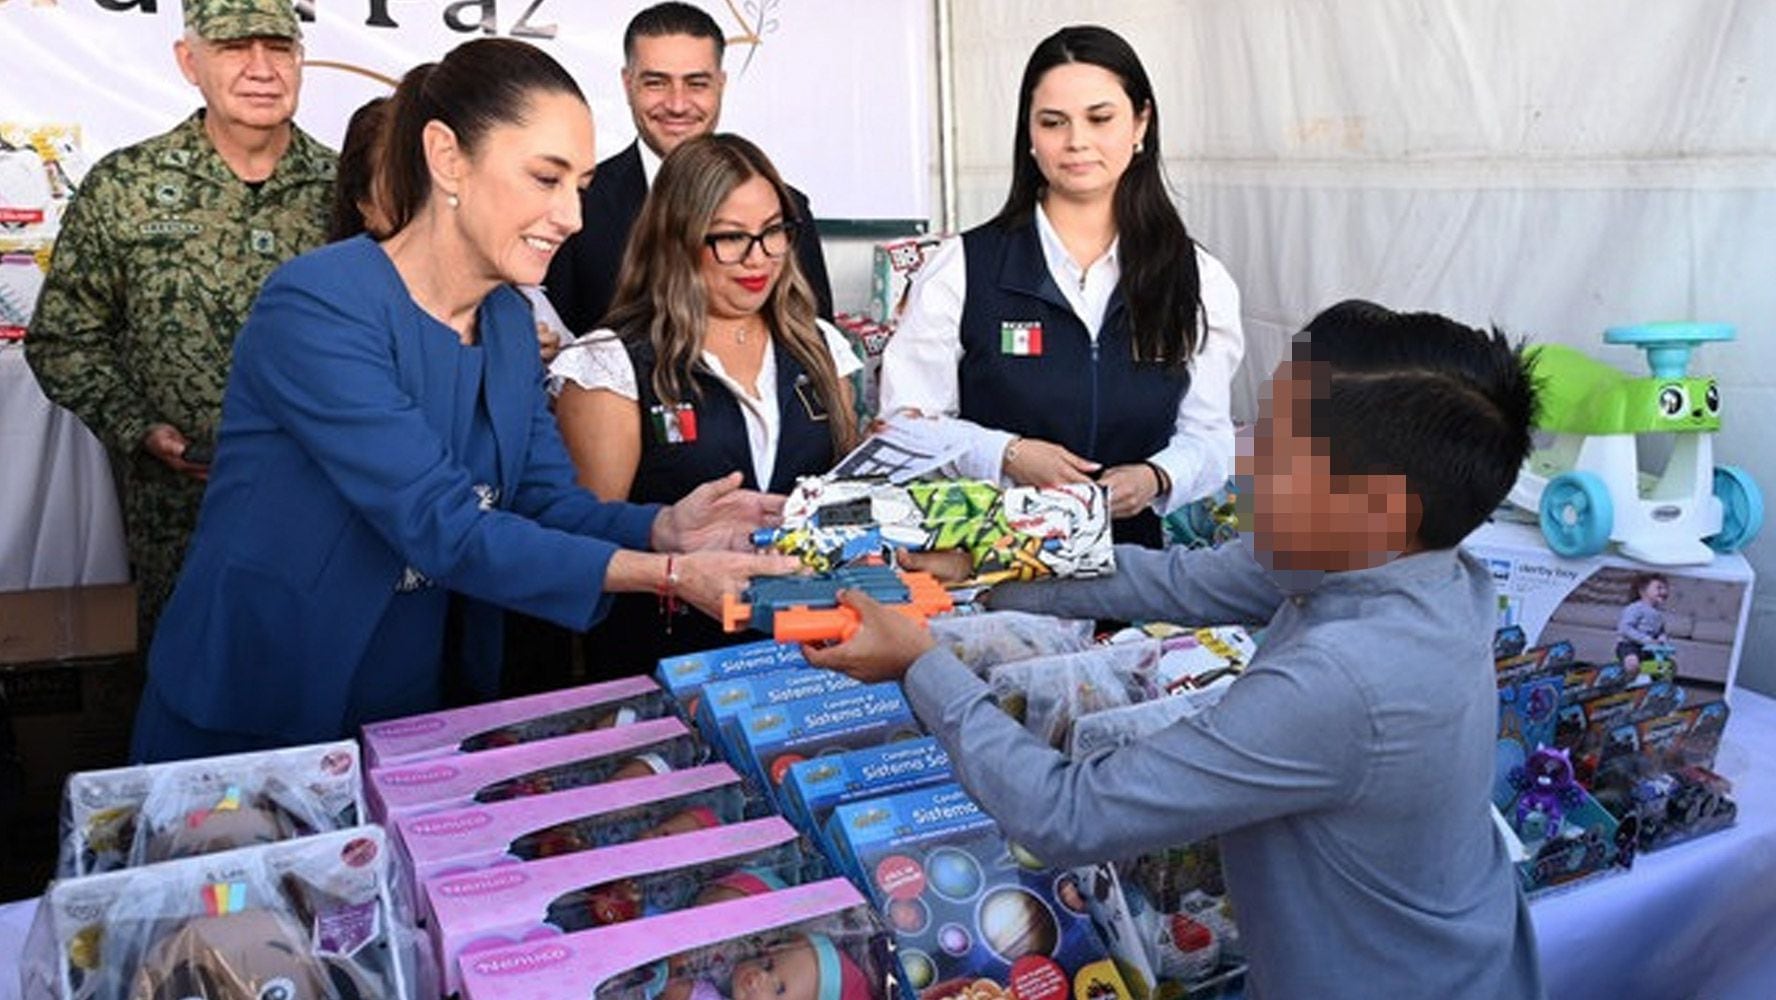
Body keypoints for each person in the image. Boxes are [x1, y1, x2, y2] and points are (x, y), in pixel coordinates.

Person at [809, 301, 1546, 999]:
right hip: (1451, 949)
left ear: (1378, 507)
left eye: (1282, 449)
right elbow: (1178, 577)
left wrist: (919, 664)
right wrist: (986, 566)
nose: (1244, 463)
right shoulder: (1419, 566)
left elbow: (1068, 813)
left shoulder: (1343, 679)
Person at [131, 38, 797, 764]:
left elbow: (544, 501)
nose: (572, 215)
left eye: (577, 184)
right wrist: (668, 577)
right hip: (270, 696)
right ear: (447, 157)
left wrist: (666, 529)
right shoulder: (319, 303)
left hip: (419, 703)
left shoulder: (509, 319)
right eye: (546, 179)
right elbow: (439, 522)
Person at [25, 0, 336, 641]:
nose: (261, 69)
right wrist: (140, 429)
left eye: (278, 48)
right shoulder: (125, 186)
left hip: (331, 504)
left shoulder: (348, 189)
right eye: (232, 48)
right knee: (188, 694)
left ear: (300, 60)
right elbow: (63, 339)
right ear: (188, 62)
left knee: (330, 693)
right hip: (180, 517)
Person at [879, 24, 1243, 548]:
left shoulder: (1196, 279)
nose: (1077, 142)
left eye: (1100, 118)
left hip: (1131, 576)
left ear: (1141, 123)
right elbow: (905, 425)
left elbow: (1209, 436)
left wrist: (1157, 476)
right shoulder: (963, 268)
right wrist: (1006, 453)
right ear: (1029, 134)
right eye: (1053, 122)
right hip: (991, 576)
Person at [550, 133, 860, 676]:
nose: (757, 258)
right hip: (664, 672)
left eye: (773, 233)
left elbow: (847, 500)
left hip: (816, 669)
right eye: (730, 238)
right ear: (675, 239)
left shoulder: (819, 346)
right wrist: (669, 544)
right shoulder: (610, 363)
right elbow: (582, 542)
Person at [542, 1, 834, 335]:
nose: (677, 104)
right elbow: (554, 345)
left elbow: (817, 347)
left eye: (696, 84)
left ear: (720, 85)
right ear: (627, 84)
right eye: (656, 83)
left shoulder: (786, 208)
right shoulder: (576, 203)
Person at [1616, 572, 1671, 677]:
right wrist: (1645, 639)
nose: (1664, 592)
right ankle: (1627, 681)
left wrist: (1662, 638)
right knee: (1632, 663)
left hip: (1650, 647)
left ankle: (1654, 685)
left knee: (1664, 666)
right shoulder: (1635, 608)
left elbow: (1660, 630)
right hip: (1630, 646)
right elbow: (1625, 628)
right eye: (1659, 588)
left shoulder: (1658, 613)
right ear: (1642, 591)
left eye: (1665, 588)